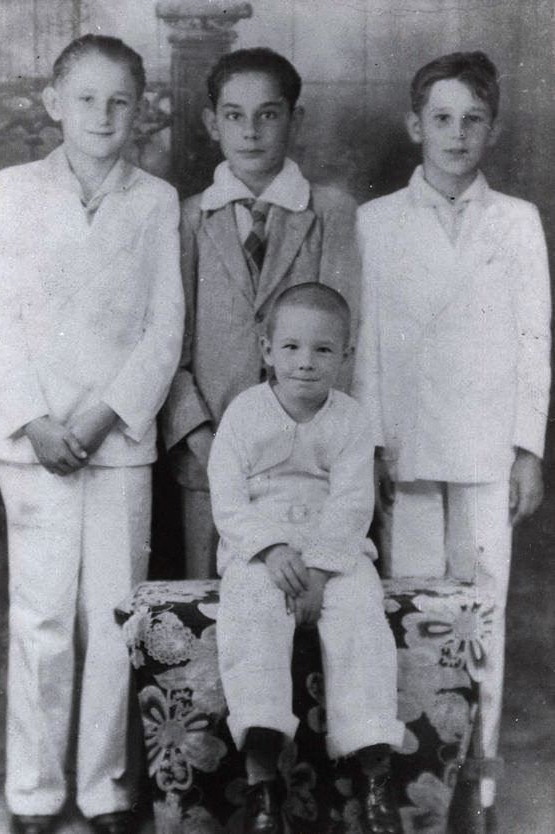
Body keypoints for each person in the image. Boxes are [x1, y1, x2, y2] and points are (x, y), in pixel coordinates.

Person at [0, 34, 184, 834]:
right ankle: (32, 789)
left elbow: (164, 332)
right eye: (87, 98)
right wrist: (36, 420)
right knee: (40, 618)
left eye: (120, 100)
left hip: (117, 441)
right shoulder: (12, 191)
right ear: (53, 103)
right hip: (34, 445)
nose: (103, 114)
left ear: (141, 112)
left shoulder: (155, 200)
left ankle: (103, 787)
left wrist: (100, 420)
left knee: (112, 616)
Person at [353, 51, 551, 825]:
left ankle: (481, 780)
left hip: (485, 453)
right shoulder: (376, 223)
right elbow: (366, 346)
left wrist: (527, 450)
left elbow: (536, 339)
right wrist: (371, 446)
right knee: (411, 614)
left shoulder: (518, 222)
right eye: (441, 118)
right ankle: (418, 778)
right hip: (406, 452)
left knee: (484, 617)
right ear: (415, 126)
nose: (456, 134)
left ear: (491, 130)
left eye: (472, 119)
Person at [208, 283, 404, 834]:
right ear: (267, 350)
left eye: (323, 350)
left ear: (346, 355)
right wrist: (268, 549)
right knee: (250, 613)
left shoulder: (351, 418)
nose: (305, 363)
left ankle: (373, 775)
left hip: (332, 552)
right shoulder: (244, 413)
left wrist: (319, 569)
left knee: (361, 613)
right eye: (290, 347)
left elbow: (350, 503)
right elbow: (227, 497)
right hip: (260, 551)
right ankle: (262, 777)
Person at [162, 47, 361, 578]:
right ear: (212, 123)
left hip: (306, 464)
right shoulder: (188, 219)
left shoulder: (330, 213)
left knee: (309, 597)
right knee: (211, 610)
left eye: (268, 114)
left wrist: (313, 444)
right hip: (208, 460)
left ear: (295, 120)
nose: (250, 130)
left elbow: (345, 342)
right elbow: (172, 348)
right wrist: (203, 440)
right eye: (234, 115)